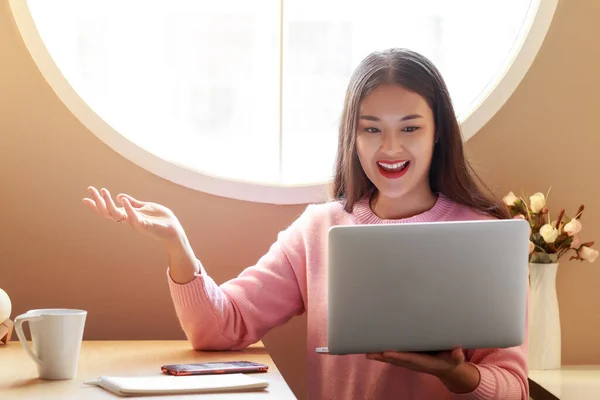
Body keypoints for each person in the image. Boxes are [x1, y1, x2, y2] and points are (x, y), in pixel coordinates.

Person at [83, 48, 528, 400]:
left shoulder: (484, 233)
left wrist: (459, 376)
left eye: (409, 128)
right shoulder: (319, 228)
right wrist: (177, 245)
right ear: (352, 138)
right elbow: (221, 328)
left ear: (438, 134)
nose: (389, 148)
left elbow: (514, 388)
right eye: (371, 129)